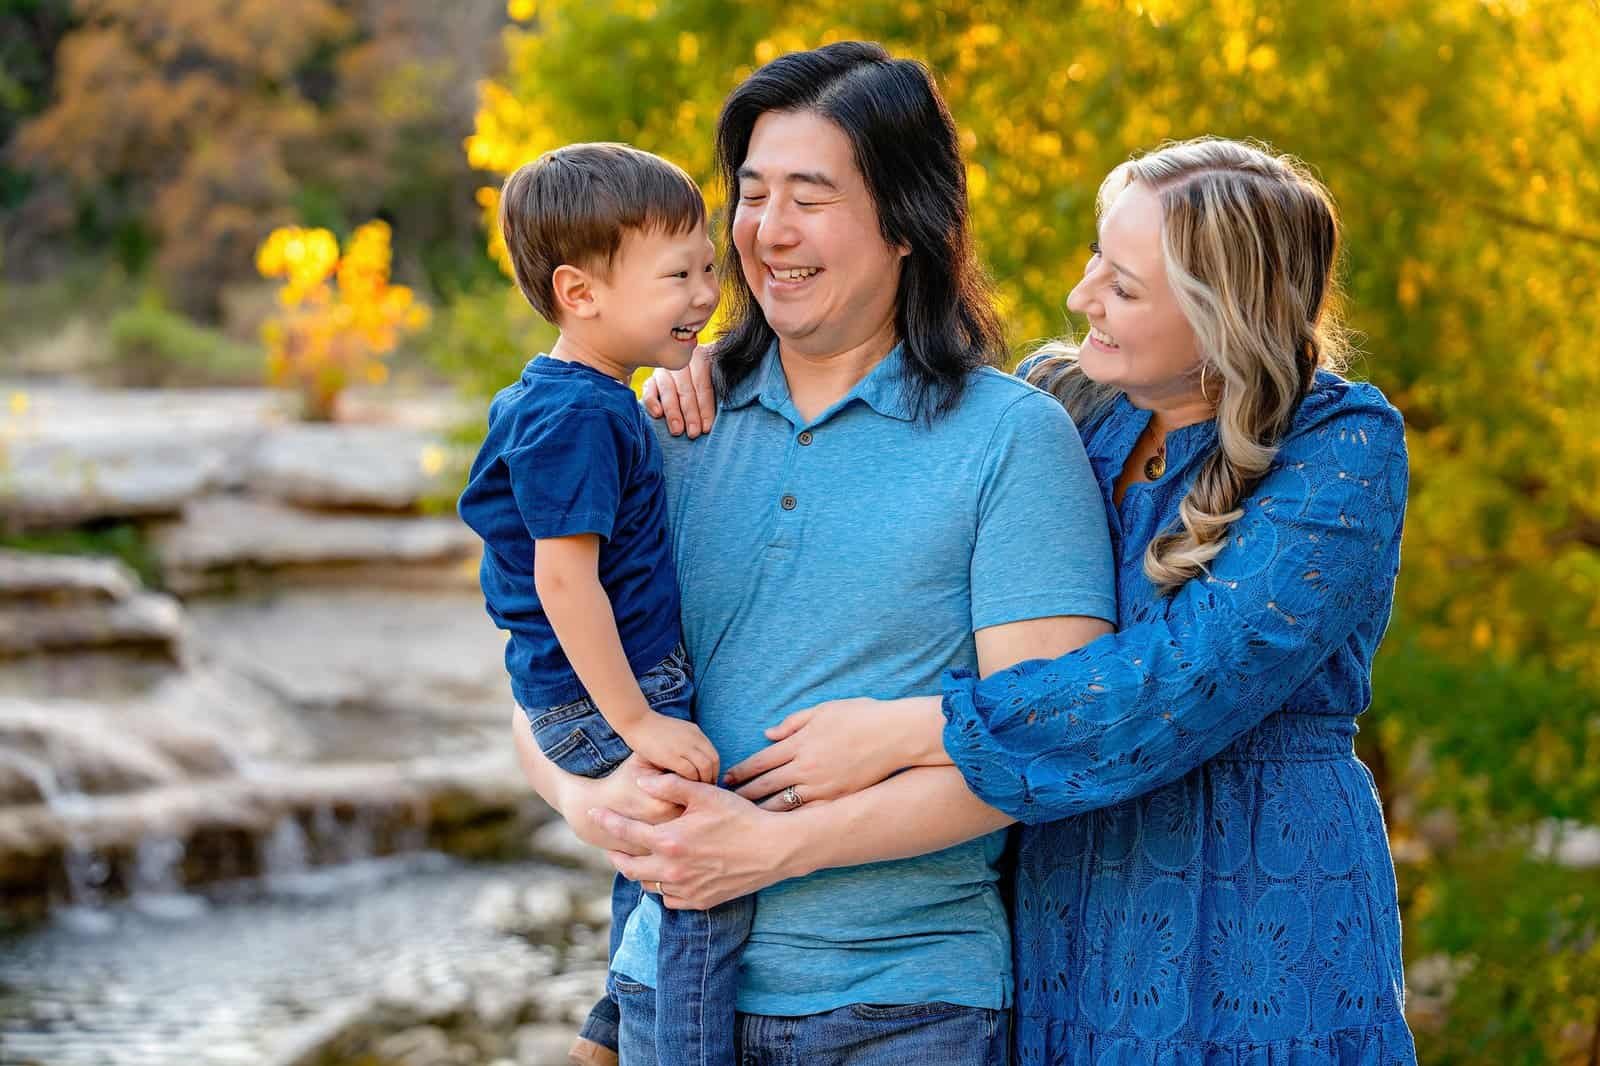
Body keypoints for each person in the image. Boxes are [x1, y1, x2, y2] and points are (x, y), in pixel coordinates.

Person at [628, 137, 1418, 1064]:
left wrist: (910, 729)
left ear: (1224, 317)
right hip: (1064, 905)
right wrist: (704, 361)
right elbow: (881, 395)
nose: (1084, 298)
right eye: (1096, 261)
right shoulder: (1069, 401)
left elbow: (1180, 684)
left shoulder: (1342, 447)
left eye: (1123, 287)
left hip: (1251, 894)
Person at [512, 41, 1118, 1065]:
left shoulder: (1010, 441)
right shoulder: (655, 424)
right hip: (667, 992)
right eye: (750, 195)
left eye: (810, 196)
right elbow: (536, 676)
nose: (768, 233)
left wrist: (773, 847)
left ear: (907, 222)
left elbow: (1039, 741)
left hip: (902, 1003)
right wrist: (587, 799)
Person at [456, 142, 745, 1066]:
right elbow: (562, 580)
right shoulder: (577, 413)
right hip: (604, 694)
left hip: (601, 686)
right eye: (677, 276)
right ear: (582, 294)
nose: (705, 295)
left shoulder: (579, 395)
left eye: (708, 267)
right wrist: (638, 721)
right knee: (701, 875)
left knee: (656, 866)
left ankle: (605, 1034)